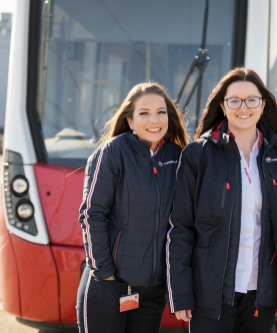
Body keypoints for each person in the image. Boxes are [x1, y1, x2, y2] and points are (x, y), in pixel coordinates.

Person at [166, 68, 277, 332]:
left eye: (251, 100)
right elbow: (181, 228)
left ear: (263, 104)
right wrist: (181, 292)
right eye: (234, 100)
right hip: (209, 295)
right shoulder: (197, 155)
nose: (242, 107)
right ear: (223, 106)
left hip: (261, 295)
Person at [76, 82, 189, 332]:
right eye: (144, 113)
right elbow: (92, 214)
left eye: (161, 112)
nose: (154, 120)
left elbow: (184, 223)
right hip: (109, 286)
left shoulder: (178, 156)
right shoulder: (112, 152)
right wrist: (105, 273)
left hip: (151, 291)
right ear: (130, 120)